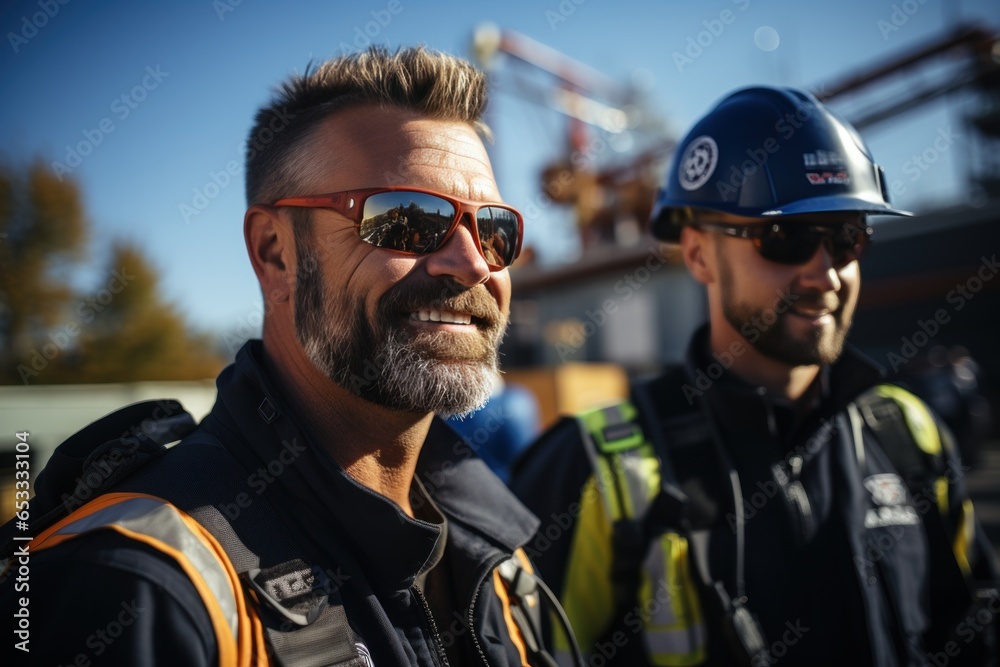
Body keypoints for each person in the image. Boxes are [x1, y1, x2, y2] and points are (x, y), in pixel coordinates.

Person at [1, 47, 568, 666]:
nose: (474, 263)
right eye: (408, 219)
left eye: (494, 229)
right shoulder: (136, 586)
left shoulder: (502, 561)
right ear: (275, 253)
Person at [511, 86, 999, 666]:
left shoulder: (908, 433)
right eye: (786, 237)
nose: (826, 274)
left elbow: (973, 633)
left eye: (847, 236)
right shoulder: (594, 470)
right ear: (698, 255)